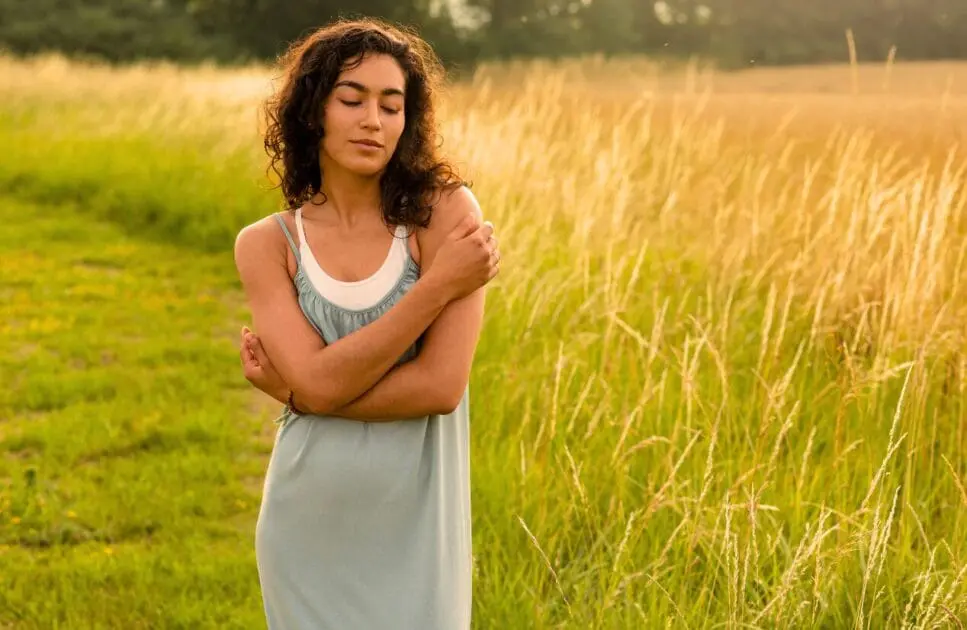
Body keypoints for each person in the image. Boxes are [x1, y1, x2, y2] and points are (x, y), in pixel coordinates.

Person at [232, 17, 500, 630]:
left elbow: (440, 387)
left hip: (418, 531)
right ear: (312, 113)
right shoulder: (267, 245)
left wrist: (301, 392)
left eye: (391, 104)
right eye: (351, 99)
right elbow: (320, 386)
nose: (373, 120)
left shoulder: (446, 215)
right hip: (306, 527)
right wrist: (437, 286)